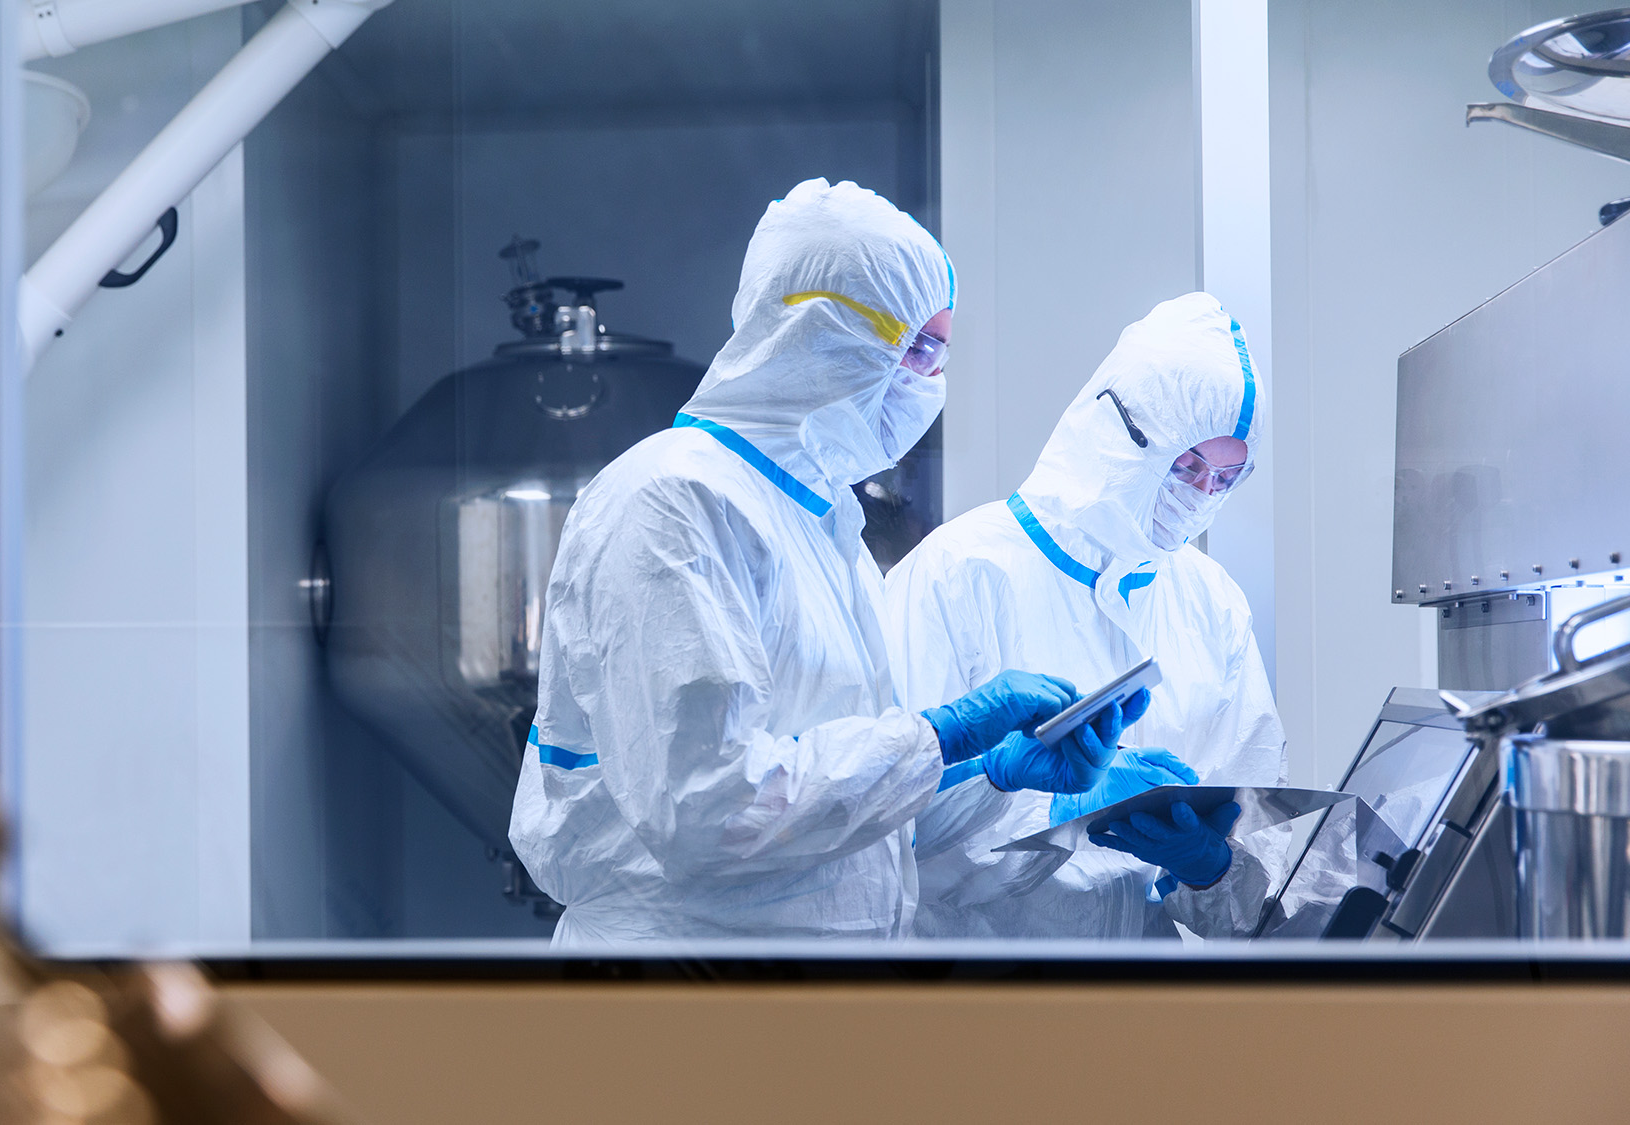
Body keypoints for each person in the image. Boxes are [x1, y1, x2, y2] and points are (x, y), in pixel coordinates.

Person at [508, 179, 1128, 945]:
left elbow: (838, 821)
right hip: (686, 1005)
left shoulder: (821, 522)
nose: (933, 382)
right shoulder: (673, 502)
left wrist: (993, 773)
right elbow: (713, 809)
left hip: (795, 1007)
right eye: (920, 348)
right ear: (825, 332)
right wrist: (943, 733)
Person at [882, 292, 1288, 940]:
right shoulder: (957, 573)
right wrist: (1058, 808)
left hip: (1149, 1021)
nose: (1201, 496)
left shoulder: (1211, 603)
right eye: (1186, 465)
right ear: (1122, 432)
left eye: (1225, 478)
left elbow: (1261, 872)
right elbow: (888, 830)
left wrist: (1210, 866)